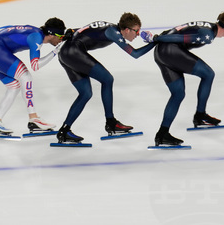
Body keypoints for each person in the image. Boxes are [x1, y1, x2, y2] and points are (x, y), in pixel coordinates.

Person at [55, 13, 154, 144]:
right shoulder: (113, 32)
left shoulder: (110, 28)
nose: (137, 34)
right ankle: (111, 122)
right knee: (107, 79)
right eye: (136, 31)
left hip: (65, 54)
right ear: (126, 30)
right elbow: (135, 54)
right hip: (73, 52)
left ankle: (64, 130)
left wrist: (71, 30)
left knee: (85, 93)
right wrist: (155, 42)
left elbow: (84, 29)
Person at [150, 11, 224, 147]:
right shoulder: (207, 35)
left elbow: (173, 31)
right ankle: (200, 115)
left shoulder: (208, 27)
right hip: (169, 50)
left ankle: (162, 134)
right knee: (208, 74)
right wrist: (158, 39)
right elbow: (178, 38)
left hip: (161, 53)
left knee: (178, 94)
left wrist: (159, 38)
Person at [0, 18, 66, 136]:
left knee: (14, 86)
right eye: (60, 36)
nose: (61, 39)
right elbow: (35, 65)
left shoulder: (34, 30)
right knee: (26, 77)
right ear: (51, 34)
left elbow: (10, 26)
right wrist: (55, 52)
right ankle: (34, 119)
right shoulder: (37, 38)